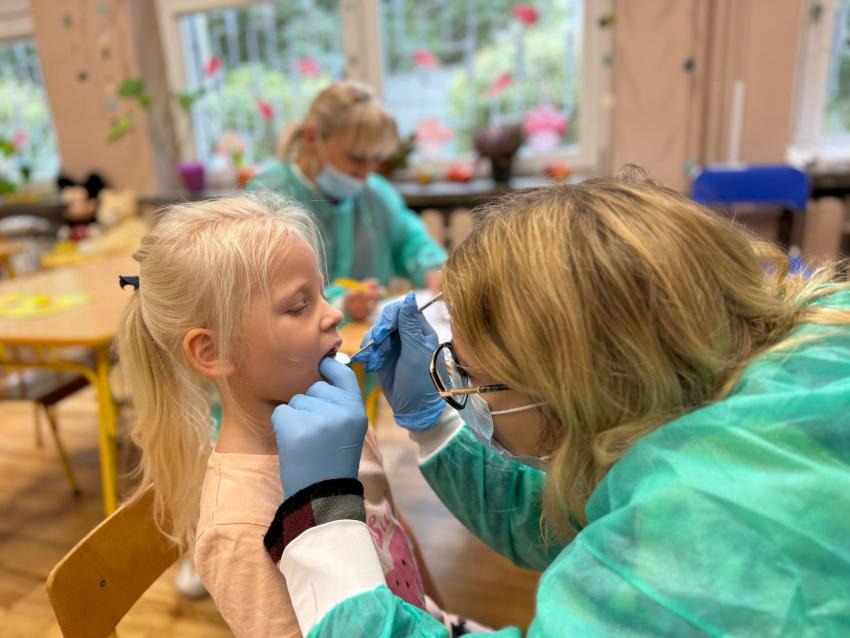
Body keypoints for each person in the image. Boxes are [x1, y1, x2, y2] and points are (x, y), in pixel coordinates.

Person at [262, 175, 850, 636]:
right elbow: (573, 513)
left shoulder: (703, 542)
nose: (460, 389)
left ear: (572, 389)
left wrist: (322, 526)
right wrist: (436, 424)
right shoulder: (795, 366)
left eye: (473, 380)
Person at [115, 195, 449, 637]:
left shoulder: (339, 430)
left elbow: (393, 533)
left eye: (324, 293)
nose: (333, 314)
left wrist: (444, 619)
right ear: (213, 351)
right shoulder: (238, 526)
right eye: (298, 306)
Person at [247, 81, 446, 321]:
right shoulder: (268, 197)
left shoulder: (375, 194)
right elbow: (264, 291)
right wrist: (338, 304)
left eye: (375, 160)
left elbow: (411, 242)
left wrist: (435, 273)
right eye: (356, 159)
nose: (365, 174)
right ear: (312, 138)